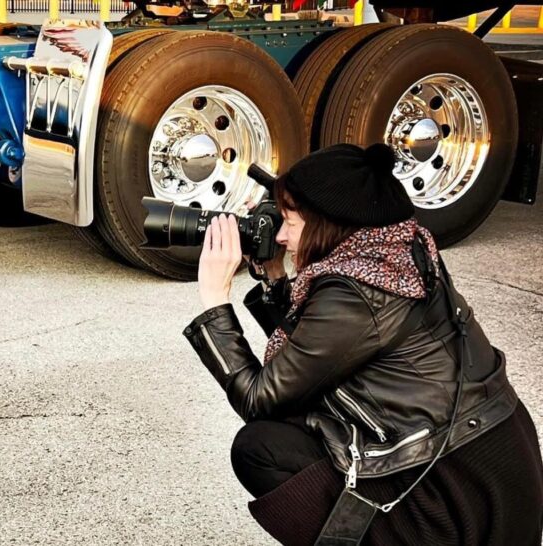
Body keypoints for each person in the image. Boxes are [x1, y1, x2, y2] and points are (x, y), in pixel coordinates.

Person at [182, 143, 543, 545]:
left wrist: (215, 299)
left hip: (458, 494)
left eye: (290, 223)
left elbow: (259, 398)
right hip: (490, 466)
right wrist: (275, 280)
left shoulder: (358, 291)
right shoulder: (393, 251)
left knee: (260, 448)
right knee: (290, 423)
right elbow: (312, 357)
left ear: (327, 224)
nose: (281, 236)